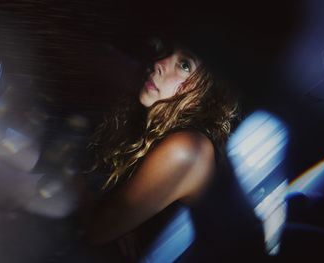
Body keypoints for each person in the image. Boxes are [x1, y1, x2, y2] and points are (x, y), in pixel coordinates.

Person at [75, 37, 240, 262]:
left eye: (184, 65)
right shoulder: (156, 120)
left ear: (208, 93)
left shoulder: (189, 147)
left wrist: (76, 179)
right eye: (168, 52)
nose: (159, 63)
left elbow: (97, 231)